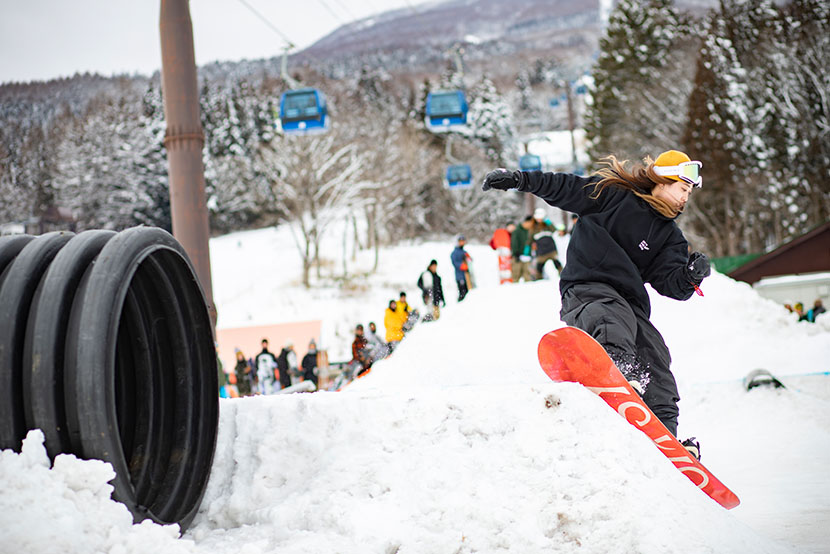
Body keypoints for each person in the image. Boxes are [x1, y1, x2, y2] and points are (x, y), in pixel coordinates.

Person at [482, 149, 712, 447]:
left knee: (656, 355)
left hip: (629, 304)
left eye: (689, 193)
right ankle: (618, 371)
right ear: (664, 181)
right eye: (683, 189)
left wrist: (690, 276)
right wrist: (520, 179)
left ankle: (665, 435)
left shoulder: (669, 237)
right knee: (611, 317)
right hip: (587, 289)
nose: (685, 199)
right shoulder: (613, 196)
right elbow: (565, 188)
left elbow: (671, 284)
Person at [530, 207, 563, 279]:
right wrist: (528, 248)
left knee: (557, 263)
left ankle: (563, 274)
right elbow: (530, 239)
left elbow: (554, 230)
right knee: (539, 266)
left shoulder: (548, 225)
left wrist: (548, 221)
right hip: (541, 250)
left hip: (551, 249)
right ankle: (538, 279)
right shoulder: (533, 228)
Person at [511, 216, 534, 282]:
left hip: (527, 256)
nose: (531, 225)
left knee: (527, 276)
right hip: (518, 256)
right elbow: (514, 243)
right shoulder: (517, 231)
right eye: (530, 223)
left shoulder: (529, 231)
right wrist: (516, 253)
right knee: (516, 275)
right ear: (526, 222)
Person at [451, 234, 472, 301]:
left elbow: (470, 261)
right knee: (462, 293)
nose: (462, 242)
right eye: (460, 241)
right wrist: (461, 266)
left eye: (463, 241)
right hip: (460, 276)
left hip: (467, 276)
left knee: (468, 292)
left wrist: (469, 258)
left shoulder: (464, 252)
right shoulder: (455, 253)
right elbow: (455, 262)